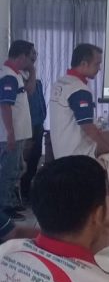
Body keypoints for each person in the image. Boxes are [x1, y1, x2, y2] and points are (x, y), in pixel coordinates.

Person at [49, 43, 109, 160]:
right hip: (77, 152)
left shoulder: (60, 83)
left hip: (61, 150)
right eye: (97, 64)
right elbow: (87, 127)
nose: (99, 68)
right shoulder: (79, 89)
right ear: (84, 64)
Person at [0, 40, 35, 220]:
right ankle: (5, 208)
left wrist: (32, 70)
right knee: (9, 170)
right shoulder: (8, 76)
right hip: (11, 135)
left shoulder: (16, 74)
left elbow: (29, 91)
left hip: (18, 133)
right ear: (21, 56)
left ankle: (10, 202)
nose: (31, 60)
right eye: (30, 57)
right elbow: (5, 105)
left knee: (16, 168)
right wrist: (10, 133)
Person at [20, 64, 46, 203]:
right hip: (27, 127)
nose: (33, 60)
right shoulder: (20, 81)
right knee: (26, 161)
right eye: (31, 56)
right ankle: (23, 193)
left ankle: (28, 192)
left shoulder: (38, 83)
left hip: (38, 125)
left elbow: (40, 103)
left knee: (35, 159)